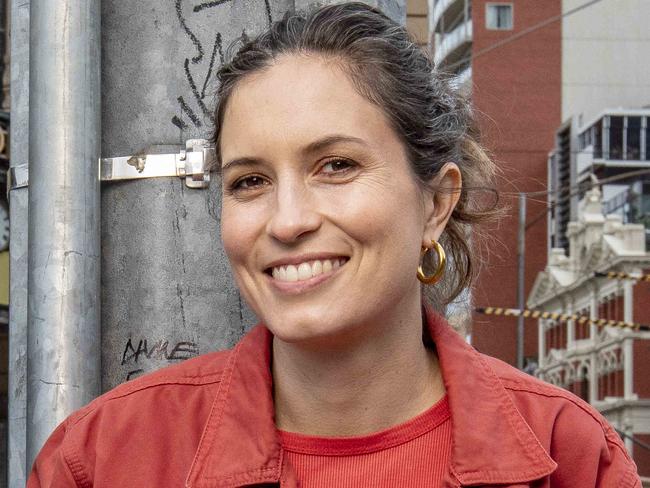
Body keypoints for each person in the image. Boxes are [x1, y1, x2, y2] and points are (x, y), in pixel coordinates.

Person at [29, 3, 641, 487]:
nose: (288, 220)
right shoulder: (104, 458)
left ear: (435, 202)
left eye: (337, 166)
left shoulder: (569, 457)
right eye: (250, 181)